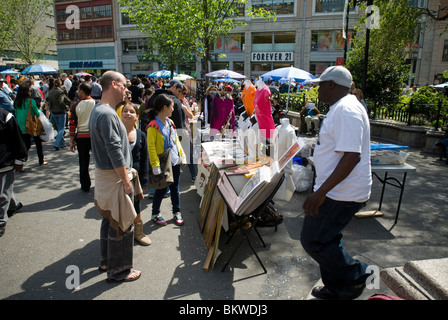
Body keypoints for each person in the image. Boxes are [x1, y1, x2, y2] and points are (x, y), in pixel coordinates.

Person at [301, 66, 372, 300]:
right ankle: (338, 287)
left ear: (332, 85)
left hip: (341, 193)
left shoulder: (346, 110)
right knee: (328, 238)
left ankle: (359, 274)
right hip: (336, 190)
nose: (317, 90)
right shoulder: (340, 108)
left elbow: (352, 156)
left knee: (313, 241)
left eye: (320, 85)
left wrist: (320, 193)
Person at [89, 70, 142, 282]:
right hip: (114, 178)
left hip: (107, 177)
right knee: (122, 224)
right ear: (113, 85)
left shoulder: (100, 110)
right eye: (124, 85)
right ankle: (119, 270)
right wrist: (127, 180)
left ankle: (106, 261)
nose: (127, 89)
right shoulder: (108, 113)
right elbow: (114, 150)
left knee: (110, 220)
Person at [146, 93, 186, 226]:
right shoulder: (152, 126)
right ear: (164, 107)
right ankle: (155, 213)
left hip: (174, 161)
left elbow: (176, 142)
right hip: (162, 163)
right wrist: (155, 165)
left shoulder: (171, 122)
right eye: (172, 107)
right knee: (161, 189)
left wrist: (182, 156)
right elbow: (151, 147)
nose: (173, 109)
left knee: (175, 188)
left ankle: (177, 212)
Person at [120, 102, 151, 246]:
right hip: (119, 177)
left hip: (136, 179)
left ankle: (138, 232)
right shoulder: (116, 134)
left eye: (131, 111)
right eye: (125, 111)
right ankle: (122, 232)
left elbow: (145, 159)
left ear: (137, 116)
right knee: (120, 206)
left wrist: (145, 181)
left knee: (137, 205)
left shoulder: (141, 135)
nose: (128, 113)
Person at [0, 108, 28, 237]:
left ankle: (1, 221)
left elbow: (16, 137)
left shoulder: (5, 116)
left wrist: (19, 159)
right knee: (4, 189)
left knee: (3, 192)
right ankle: (14, 204)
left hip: (4, 160)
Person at [13, 84, 48, 168]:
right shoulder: (30, 101)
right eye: (29, 91)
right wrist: (40, 107)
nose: (30, 92)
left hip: (19, 126)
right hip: (31, 125)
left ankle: (20, 163)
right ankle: (41, 160)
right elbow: (37, 113)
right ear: (25, 92)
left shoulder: (16, 102)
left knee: (24, 145)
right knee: (37, 143)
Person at [69, 82, 95, 192]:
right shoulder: (96, 103)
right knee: (99, 161)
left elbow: (72, 124)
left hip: (81, 136)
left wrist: (71, 141)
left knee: (83, 162)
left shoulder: (75, 105)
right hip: (94, 136)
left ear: (82, 91)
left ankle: (85, 185)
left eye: (79, 90)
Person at [47, 79, 71, 150]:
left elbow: (49, 101)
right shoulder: (60, 92)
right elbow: (61, 101)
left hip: (54, 111)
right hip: (61, 111)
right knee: (61, 129)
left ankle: (62, 143)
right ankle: (57, 143)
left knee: (58, 128)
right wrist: (66, 106)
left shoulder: (50, 91)